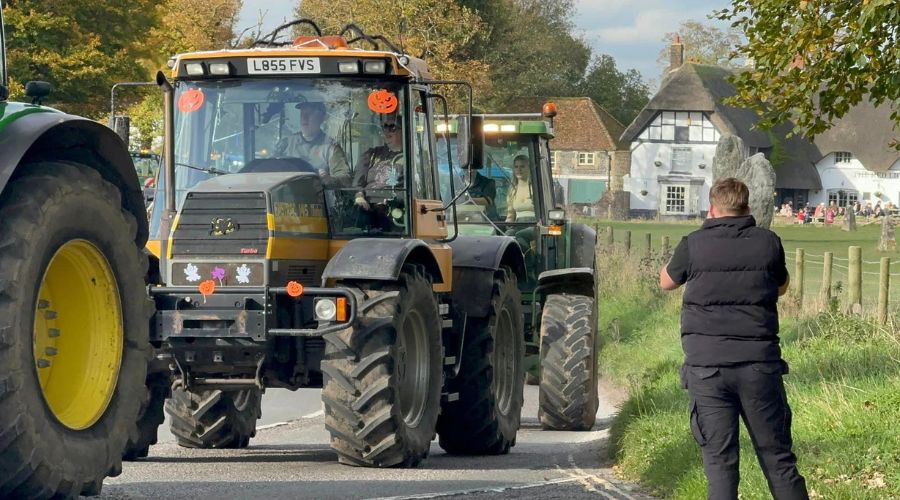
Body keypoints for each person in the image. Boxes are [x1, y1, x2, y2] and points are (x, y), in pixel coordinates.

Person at [659, 178, 808, 500]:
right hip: (759, 365)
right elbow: (781, 287)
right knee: (778, 458)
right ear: (747, 207)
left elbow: (667, 282)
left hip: (707, 366)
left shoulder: (694, 243)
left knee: (720, 461)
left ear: (712, 208)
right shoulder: (768, 242)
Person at [276, 100, 351, 187]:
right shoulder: (286, 144)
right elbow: (270, 170)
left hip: (319, 198)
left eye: (309, 113)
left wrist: (329, 179)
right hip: (286, 197)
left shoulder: (330, 147)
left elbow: (346, 179)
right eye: (302, 114)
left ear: (321, 118)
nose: (304, 118)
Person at [506, 155, 536, 223]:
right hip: (518, 224)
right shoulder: (512, 190)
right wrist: (508, 224)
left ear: (529, 168)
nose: (519, 169)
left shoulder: (536, 189)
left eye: (522, 166)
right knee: (509, 232)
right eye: (516, 167)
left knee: (522, 233)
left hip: (534, 224)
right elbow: (510, 215)